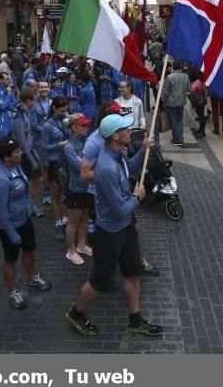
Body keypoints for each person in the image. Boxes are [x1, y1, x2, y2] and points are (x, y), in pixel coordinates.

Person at [64, 114, 163, 337]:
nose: (130, 132)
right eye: (126, 130)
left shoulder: (117, 154)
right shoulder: (106, 167)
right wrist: (137, 197)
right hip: (110, 233)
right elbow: (119, 210)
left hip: (126, 228)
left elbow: (128, 167)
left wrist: (142, 150)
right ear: (116, 136)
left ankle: (135, 321)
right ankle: (76, 313)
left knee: (132, 273)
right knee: (99, 281)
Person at [80, 102, 160, 277]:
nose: (128, 128)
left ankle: (136, 263)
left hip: (124, 196)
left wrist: (143, 150)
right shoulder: (94, 143)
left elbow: (127, 168)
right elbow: (85, 174)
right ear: (113, 132)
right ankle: (105, 273)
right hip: (102, 198)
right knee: (108, 242)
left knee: (132, 230)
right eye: (122, 123)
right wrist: (110, 176)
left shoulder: (119, 148)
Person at [0, 137, 51, 310]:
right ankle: (13, 291)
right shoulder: (1, 179)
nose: (21, 153)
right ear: (6, 158)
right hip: (9, 226)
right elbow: (1, 212)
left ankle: (32, 277)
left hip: (24, 220)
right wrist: (12, 233)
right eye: (17, 152)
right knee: (10, 259)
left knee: (29, 250)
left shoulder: (16, 166)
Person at [63, 114, 94, 265]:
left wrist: (85, 162)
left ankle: (81, 245)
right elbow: (78, 167)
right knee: (73, 221)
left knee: (84, 218)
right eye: (83, 125)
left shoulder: (87, 142)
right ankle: (71, 251)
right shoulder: (69, 147)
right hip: (76, 189)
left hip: (87, 188)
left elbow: (89, 163)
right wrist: (87, 163)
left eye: (86, 125)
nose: (86, 127)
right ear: (74, 127)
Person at [40, 96, 70, 240]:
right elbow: (43, 146)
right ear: (54, 108)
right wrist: (59, 145)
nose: (64, 112)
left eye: (66, 110)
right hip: (55, 163)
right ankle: (58, 223)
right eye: (61, 110)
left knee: (66, 194)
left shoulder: (66, 119)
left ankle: (65, 220)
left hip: (67, 162)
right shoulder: (47, 126)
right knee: (57, 195)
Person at [12, 88, 44, 216]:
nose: (35, 103)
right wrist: (31, 158)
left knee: (37, 179)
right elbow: (21, 142)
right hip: (24, 154)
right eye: (34, 100)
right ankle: (28, 207)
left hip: (30, 150)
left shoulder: (26, 113)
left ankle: (30, 205)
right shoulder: (19, 117)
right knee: (29, 181)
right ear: (28, 101)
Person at [162, 62, 190, 147]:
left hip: (171, 102)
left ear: (173, 67)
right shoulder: (186, 76)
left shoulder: (169, 77)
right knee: (179, 120)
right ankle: (180, 138)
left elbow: (166, 91)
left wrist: (163, 99)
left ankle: (176, 139)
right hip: (181, 102)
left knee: (174, 120)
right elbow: (188, 89)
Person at [0, 73, 17, 139]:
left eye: (9, 79)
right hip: (2, 123)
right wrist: (8, 95)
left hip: (11, 120)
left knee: (11, 144)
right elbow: (2, 107)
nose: (9, 80)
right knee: (2, 145)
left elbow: (14, 103)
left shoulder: (9, 89)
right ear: (0, 80)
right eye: (6, 79)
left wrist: (6, 104)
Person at [188, 72, 207, 139]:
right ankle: (202, 130)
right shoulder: (204, 82)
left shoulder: (197, 82)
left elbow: (192, 89)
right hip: (203, 101)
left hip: (198, 101)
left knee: (200, 116)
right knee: (202, 116)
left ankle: (201, 132)